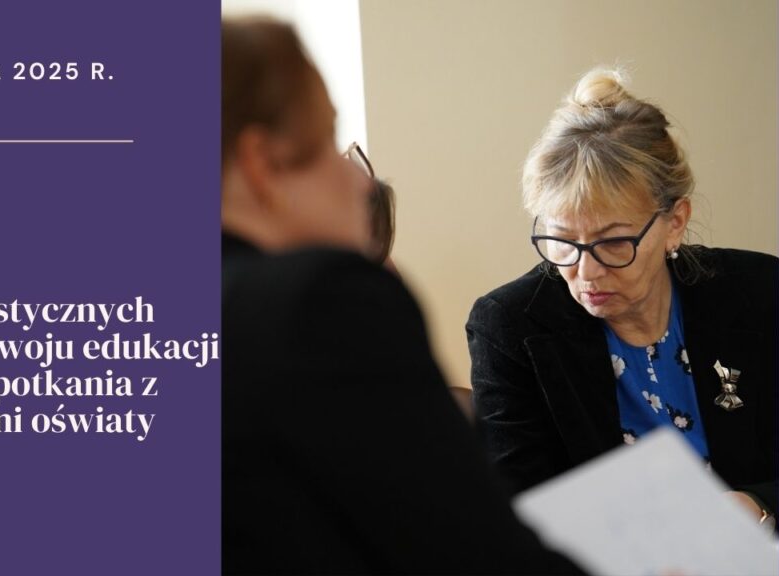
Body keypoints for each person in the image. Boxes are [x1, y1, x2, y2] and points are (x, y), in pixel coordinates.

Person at [222, 16, 583, 574]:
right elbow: (473, 550)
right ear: (261, 163)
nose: (364, 183)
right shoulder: (320, 303)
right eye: (330, 145)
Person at [466, 69, 778, 528]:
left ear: (675, 222)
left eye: (614, 242)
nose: (586, 271)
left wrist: (759, 507)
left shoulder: (760, 292)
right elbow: (520, 509)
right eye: (562, 241)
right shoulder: (511, 327)